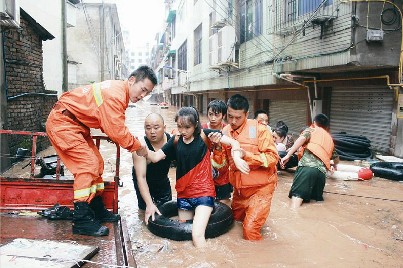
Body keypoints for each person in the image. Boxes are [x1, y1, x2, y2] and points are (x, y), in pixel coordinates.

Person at [46, 65, 158, 236]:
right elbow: (117, 131)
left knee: (97, 163)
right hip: (63, 123)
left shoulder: (119, 92)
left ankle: (96, 208)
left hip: (76, 125)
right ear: (132, 80)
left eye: (147, 93)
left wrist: (128, 140)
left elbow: (110, 125)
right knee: (88, 165)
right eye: (143, 90)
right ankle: (81, 219)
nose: (143, 96)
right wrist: (140, 148)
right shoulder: (115, 96)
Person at [146, 107, 248, 248]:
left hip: (203, 192)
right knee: (184, 234)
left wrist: (237, 157)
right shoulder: (176, 140)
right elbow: (156, 157)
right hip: (184, 194)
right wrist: (139, 147)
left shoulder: (205, 135)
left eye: (187, 127)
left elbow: (234, 143)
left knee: (197, 235)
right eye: (180, 127)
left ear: (196, 125)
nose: (183, 131)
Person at [219, 94, 279, 241]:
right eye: (230, 116)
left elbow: (273, 158)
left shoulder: (260, 130)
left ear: (246, 114)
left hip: (261, 189)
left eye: (238, 117)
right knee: (234, 223)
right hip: (239, 191)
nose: (233, 121)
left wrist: (246, 156)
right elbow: (223, 162)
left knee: (250, 231)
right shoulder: (225, 132)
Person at [280, 113, 339, 209]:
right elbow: (336, 159)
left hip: (307, 168)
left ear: (314, 122)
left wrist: (288, 155)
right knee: (315, 205)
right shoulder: (330, 139)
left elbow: (302, 138)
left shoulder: (311, 129)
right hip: (321, 174)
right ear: (327, 126)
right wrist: (334, 166)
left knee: (295, 204)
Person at [132, 113, 173, 224]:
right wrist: (149, 204)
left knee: (167, 209)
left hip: (162, 179)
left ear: (164, 128)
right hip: (143, 180)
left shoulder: (171, 141)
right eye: (148, 128)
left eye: (156, 127)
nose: (152, 132)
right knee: (144, 210)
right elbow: (141, 177)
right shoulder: (140, 147)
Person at [201, 100, 232, 206]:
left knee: (225, 205)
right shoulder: (201, 129)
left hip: (222, 175)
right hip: (203, 174)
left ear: (223, 115)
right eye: (210, 114)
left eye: (217, 115)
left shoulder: (227, 131)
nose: (213, 118)